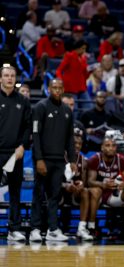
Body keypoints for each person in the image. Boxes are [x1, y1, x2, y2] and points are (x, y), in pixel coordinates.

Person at [30, 79, 76, 242]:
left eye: (59, 88)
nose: (57, 90)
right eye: (54, 88)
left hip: (59, 161)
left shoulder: (67, 111)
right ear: (48, 89)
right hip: (43, 160)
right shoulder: (40, 107)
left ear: (63, 89)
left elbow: (70, 138)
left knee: (55, 196)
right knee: (38, 194)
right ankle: (35, 228)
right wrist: (39, 159)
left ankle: (53, 229)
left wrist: (72, 160)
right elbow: (35, 135)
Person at [0, 66, 31, 242]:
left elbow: (28, 127)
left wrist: (22, 146)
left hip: (15, 153)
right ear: (0, 79)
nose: (9, 78)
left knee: (15, 192)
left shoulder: (23, 101)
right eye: (6, 76)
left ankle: (14, 229)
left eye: (12, 76)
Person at [87, 138, 124, 239]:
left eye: (113, 145)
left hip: (113, 193)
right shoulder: (95, 159)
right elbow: (90, 182)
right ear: (102, 147)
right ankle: (91, 227)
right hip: (98, 194)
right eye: (107, 145)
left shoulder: (121, 159)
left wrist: (123, 185)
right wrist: (103, 184)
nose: (111, 148)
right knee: (95, 191)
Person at [60, 134, 93, 240]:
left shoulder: (83, 160)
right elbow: (53, 181)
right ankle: (52, 228)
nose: (78, 146)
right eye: (75, 143)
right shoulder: (60, 157)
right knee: (53, 190)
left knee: (85, 191)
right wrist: (65, 185)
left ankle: (82, 228)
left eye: (80, 144)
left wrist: (81, 184)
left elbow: (84, 181)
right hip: (60, 190)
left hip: (75, 192)